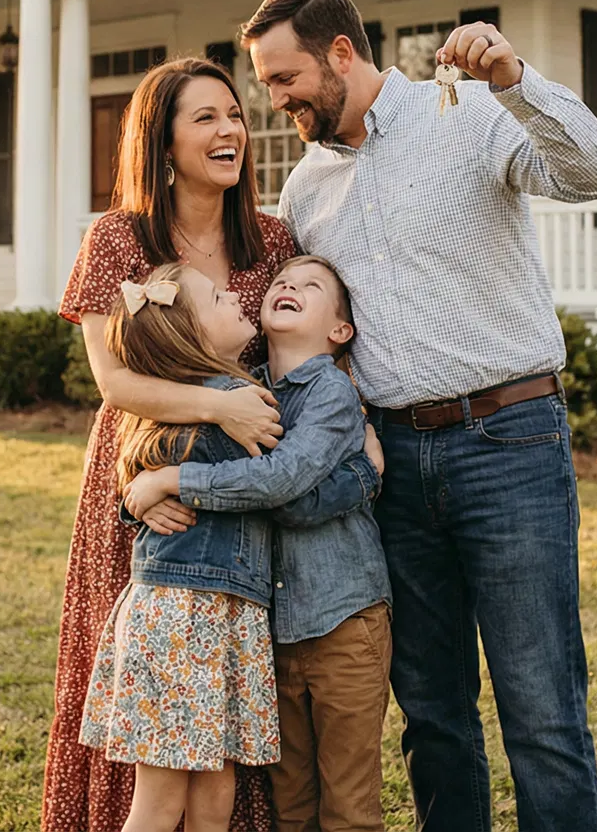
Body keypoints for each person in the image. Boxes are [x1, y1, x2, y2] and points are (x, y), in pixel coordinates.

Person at [241, 0, 597, 832]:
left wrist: (515, 79)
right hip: (392, 468)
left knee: (543, 710)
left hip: (511, 441)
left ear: (342, 52)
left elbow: (595, 171)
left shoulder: (468, 115)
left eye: (283, 77)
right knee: (433, 713)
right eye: (265, 84)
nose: (275, 101)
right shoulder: (306, 192)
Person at [48, 56, 297, 832]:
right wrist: (219, 411)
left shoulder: (273, 238)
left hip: (244, 486)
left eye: (235, 114)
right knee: (148, 682)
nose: (231, 131)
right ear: (162, 142)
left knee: (224, 676)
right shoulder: (117, 238)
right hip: (143, 474)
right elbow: (115, 380)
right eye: (207, 118)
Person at [126, 255, 394, 832]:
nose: (290, 286)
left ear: (339, 331)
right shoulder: (238, 395)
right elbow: (156, 453)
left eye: (312, 286)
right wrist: (142, 490)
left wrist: (173, 484)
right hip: (269, 631)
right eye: (282, 281)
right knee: (289, 803)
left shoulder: (329, 393)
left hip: (342, 616)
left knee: (348, 803)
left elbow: (285, 492)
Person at [79, 263, 285, 832]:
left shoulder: (175, 409)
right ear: (193, 337)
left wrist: (142, 493)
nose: (236, 296)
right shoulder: (235, 404)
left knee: (214, 786)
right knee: (164, 797)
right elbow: (276, 477)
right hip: (184, 615)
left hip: (208, 611)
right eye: (220, 298)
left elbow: (150, 473)